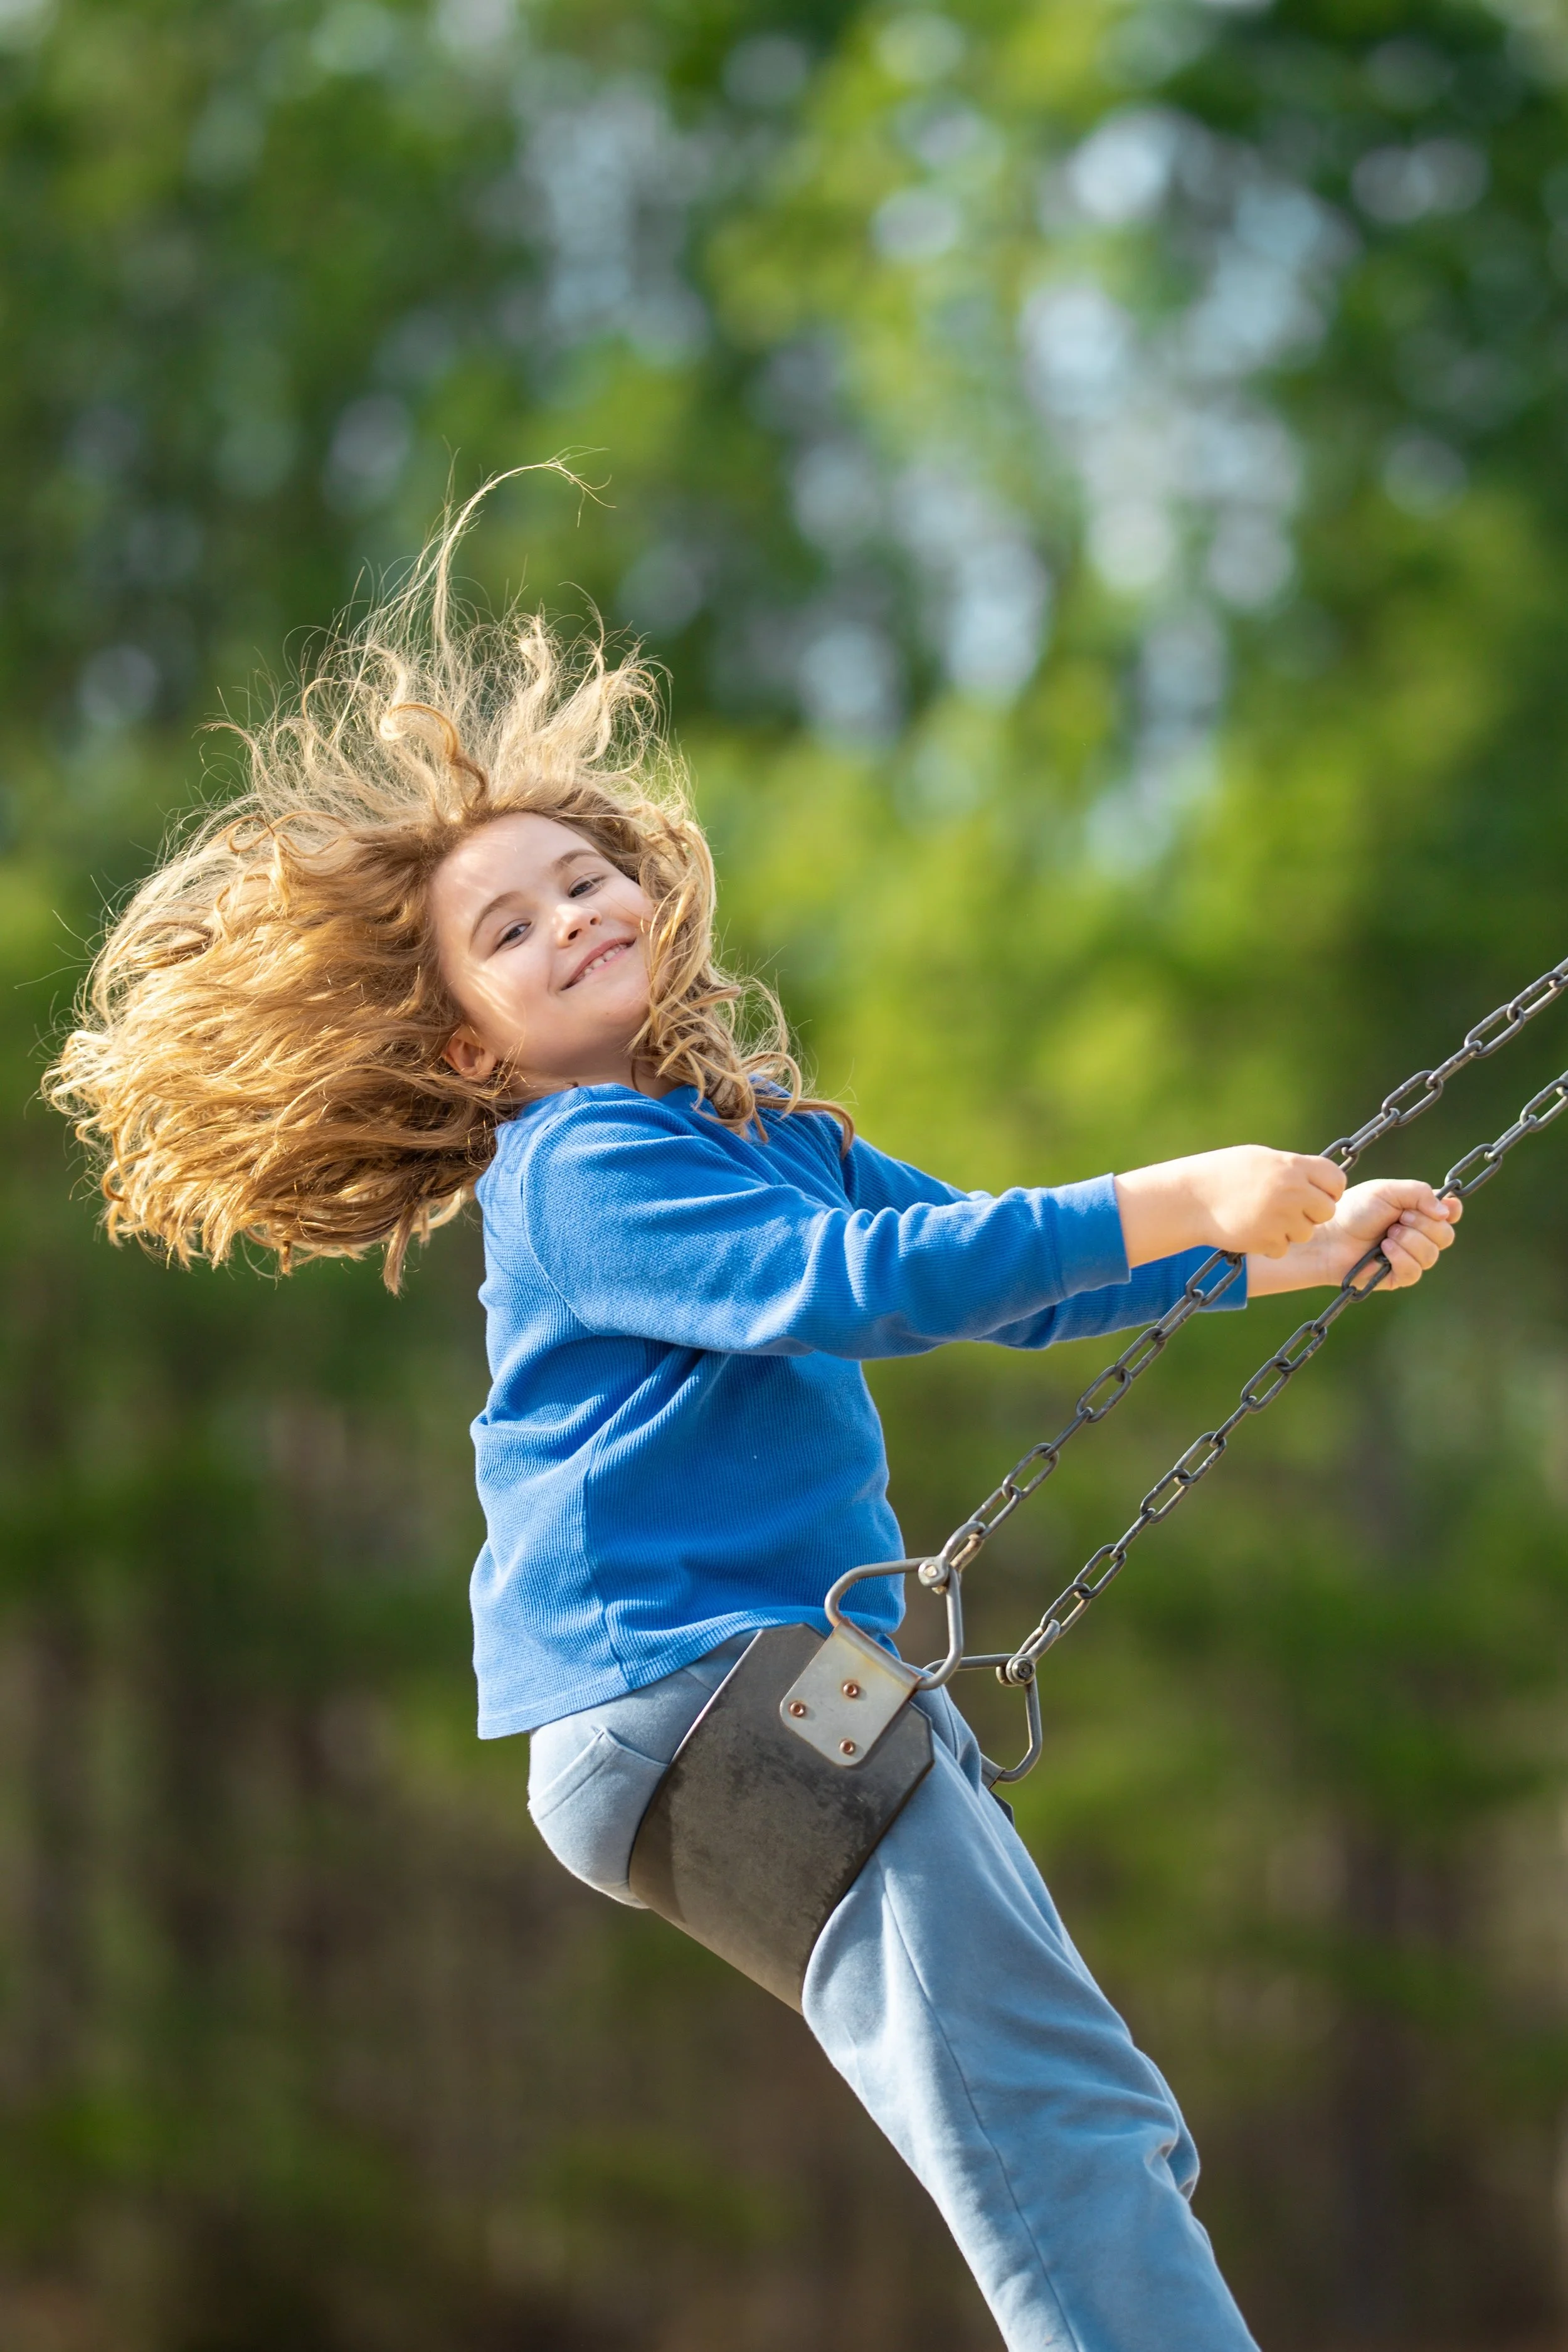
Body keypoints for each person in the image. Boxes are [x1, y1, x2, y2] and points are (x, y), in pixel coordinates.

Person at [46, 487, 1459, 2351]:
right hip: (689, 1689)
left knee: (1087, 2107)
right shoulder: (575, 1166)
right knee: (1053, 2131)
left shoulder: (751, 1132)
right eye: (509, 923)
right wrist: (1184, 1186)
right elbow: (854, 1291)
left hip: (775, 1687)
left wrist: (1287, 1259)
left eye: (583, 881)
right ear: (465, 1038)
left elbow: (994, 1266)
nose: (571, 916)